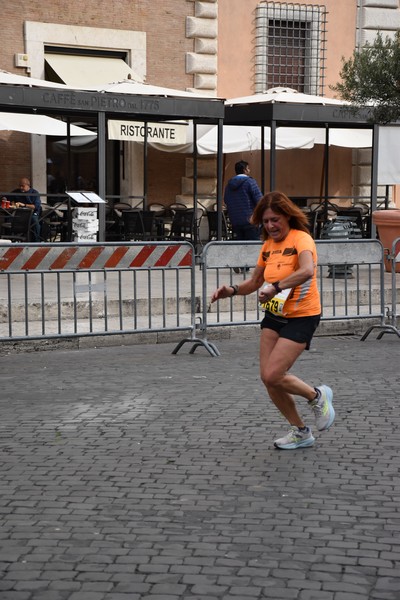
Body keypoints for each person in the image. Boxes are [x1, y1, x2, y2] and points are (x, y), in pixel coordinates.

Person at [211, 190, 335, 450]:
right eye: (266, 221)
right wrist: (231, 291)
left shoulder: (302, 239)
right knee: (268, 378)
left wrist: (276, 287)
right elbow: (256, 282)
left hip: (302, 316)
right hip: (275, 315)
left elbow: (307, 270)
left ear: (287, 216)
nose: (270, 226)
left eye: (275, 220)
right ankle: (300, 431)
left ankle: (317, 395)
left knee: (273, 373)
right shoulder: (268, 246)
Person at [8, 177, 41, 242]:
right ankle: (11, 240)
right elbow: (7, 197)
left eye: (23, 186)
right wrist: (4, 199)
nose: (21, 188)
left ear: (28, 185)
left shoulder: (34, 193)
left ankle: (37, 241)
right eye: (20, 186)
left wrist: (24, 205)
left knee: (35, 221)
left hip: (32, 214)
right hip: (19, 214)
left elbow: (36, 206)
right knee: (9, 218)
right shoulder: (16, 192)